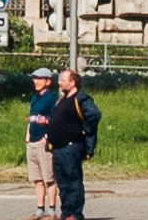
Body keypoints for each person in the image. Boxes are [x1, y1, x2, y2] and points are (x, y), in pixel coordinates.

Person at [50, 62, 100, 220]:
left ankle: (76, 214)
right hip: (58, 148)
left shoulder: (81, 98)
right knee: (63, 184)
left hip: (71, 148)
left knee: (73, 182)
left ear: (72, 82)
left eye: (63, 79)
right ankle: (66, 213)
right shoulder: (62, 99)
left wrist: (84, 130)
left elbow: (94, 115)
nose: (60, 82)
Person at [25, 68, 58, 218]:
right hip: (32, 141)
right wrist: (27, 134)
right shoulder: (35, 98)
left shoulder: (52, 98)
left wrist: (47, 135)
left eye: (39, 78)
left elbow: (56, 119)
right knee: (36, 178)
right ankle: (39, 208)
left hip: (43, 142)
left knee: (49, 178)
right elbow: (32, 116)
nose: (35, 81)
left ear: (48, 81)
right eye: (34, 78)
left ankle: (51, 209)